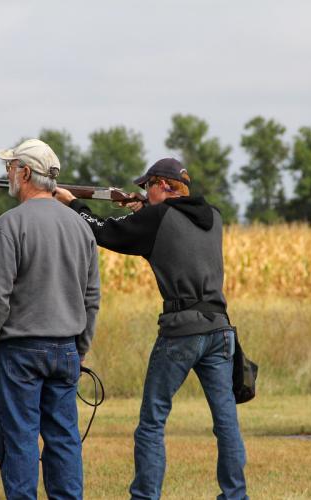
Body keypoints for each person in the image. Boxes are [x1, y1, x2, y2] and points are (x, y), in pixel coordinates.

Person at [54, 158, 247, 500]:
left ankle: (145, 496)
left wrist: (73, 203)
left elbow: (102, 231)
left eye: (147, 186)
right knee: (226, 422)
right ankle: (236, 496)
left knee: (152, 422)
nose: (144, 191)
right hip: (220, 329)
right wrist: (141, 207)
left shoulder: (157, 217)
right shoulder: (214, 217)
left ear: (161, 185)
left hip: (181, 329)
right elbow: (177, 224)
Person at [0, 138, 100, 500]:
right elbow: (92, 297)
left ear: (25, 173)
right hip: (67, 351)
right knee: (64, 439)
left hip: (20, 352)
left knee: (20, 438)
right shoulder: (81, 227)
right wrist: (82, 346)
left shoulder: (8, 225)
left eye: (11, 167)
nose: (7, 173)